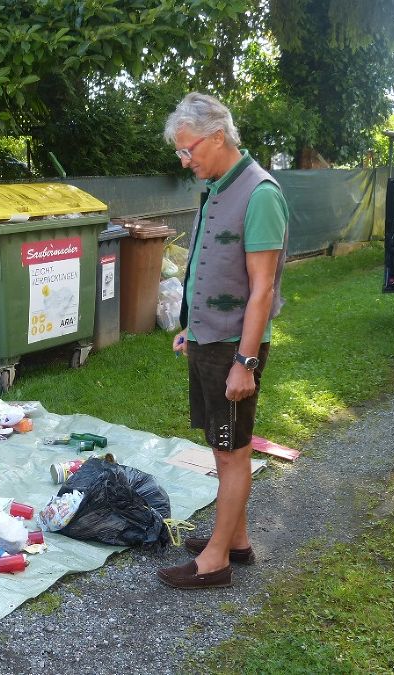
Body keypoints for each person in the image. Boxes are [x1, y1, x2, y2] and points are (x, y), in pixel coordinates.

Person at [158, 93, 288, 589]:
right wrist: (193, 324)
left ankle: (216, 561)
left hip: (236, 346)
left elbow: (261, 290)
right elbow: (210, 268)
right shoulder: (216, 186)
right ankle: (237, 539)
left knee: (234, 450)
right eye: (180, 152)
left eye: (188, 149)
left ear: (217, 137)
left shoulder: (261, 194)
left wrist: (246, 362)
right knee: (220, 441)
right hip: (208, 339)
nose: (185, 160)